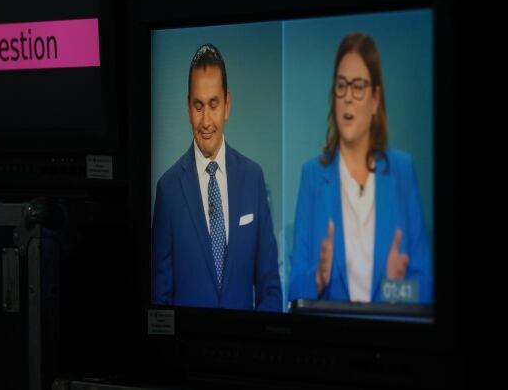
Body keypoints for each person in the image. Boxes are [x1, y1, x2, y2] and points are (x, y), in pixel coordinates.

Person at [288, 32, 432, 305]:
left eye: (358, 86)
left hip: (388, 340)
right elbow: (294, 290)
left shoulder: (402, 171)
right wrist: (318, 277)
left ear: (375, 99)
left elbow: (425, 288)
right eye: (341, 86)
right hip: (331, 340)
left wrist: (393, 287)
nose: (348, 98)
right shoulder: (312, 176)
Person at [152, 43, 282, 311]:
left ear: (227, 105)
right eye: (198, 106)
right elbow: (159, 299)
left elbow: (270, 287)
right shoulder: (168, 189)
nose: (206, 121)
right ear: (188, 108)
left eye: (213, 104)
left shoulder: (253, 179)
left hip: (245, 348)